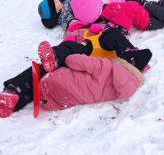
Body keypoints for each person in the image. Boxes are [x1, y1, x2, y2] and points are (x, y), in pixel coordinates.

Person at [0, 27, 152, 117]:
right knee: (43, 75)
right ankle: (14, 99)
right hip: (81, 72)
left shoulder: (113, 49)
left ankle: (14, 90)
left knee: (48, 67)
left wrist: (83, 37)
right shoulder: (124, 81)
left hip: (83, 57)